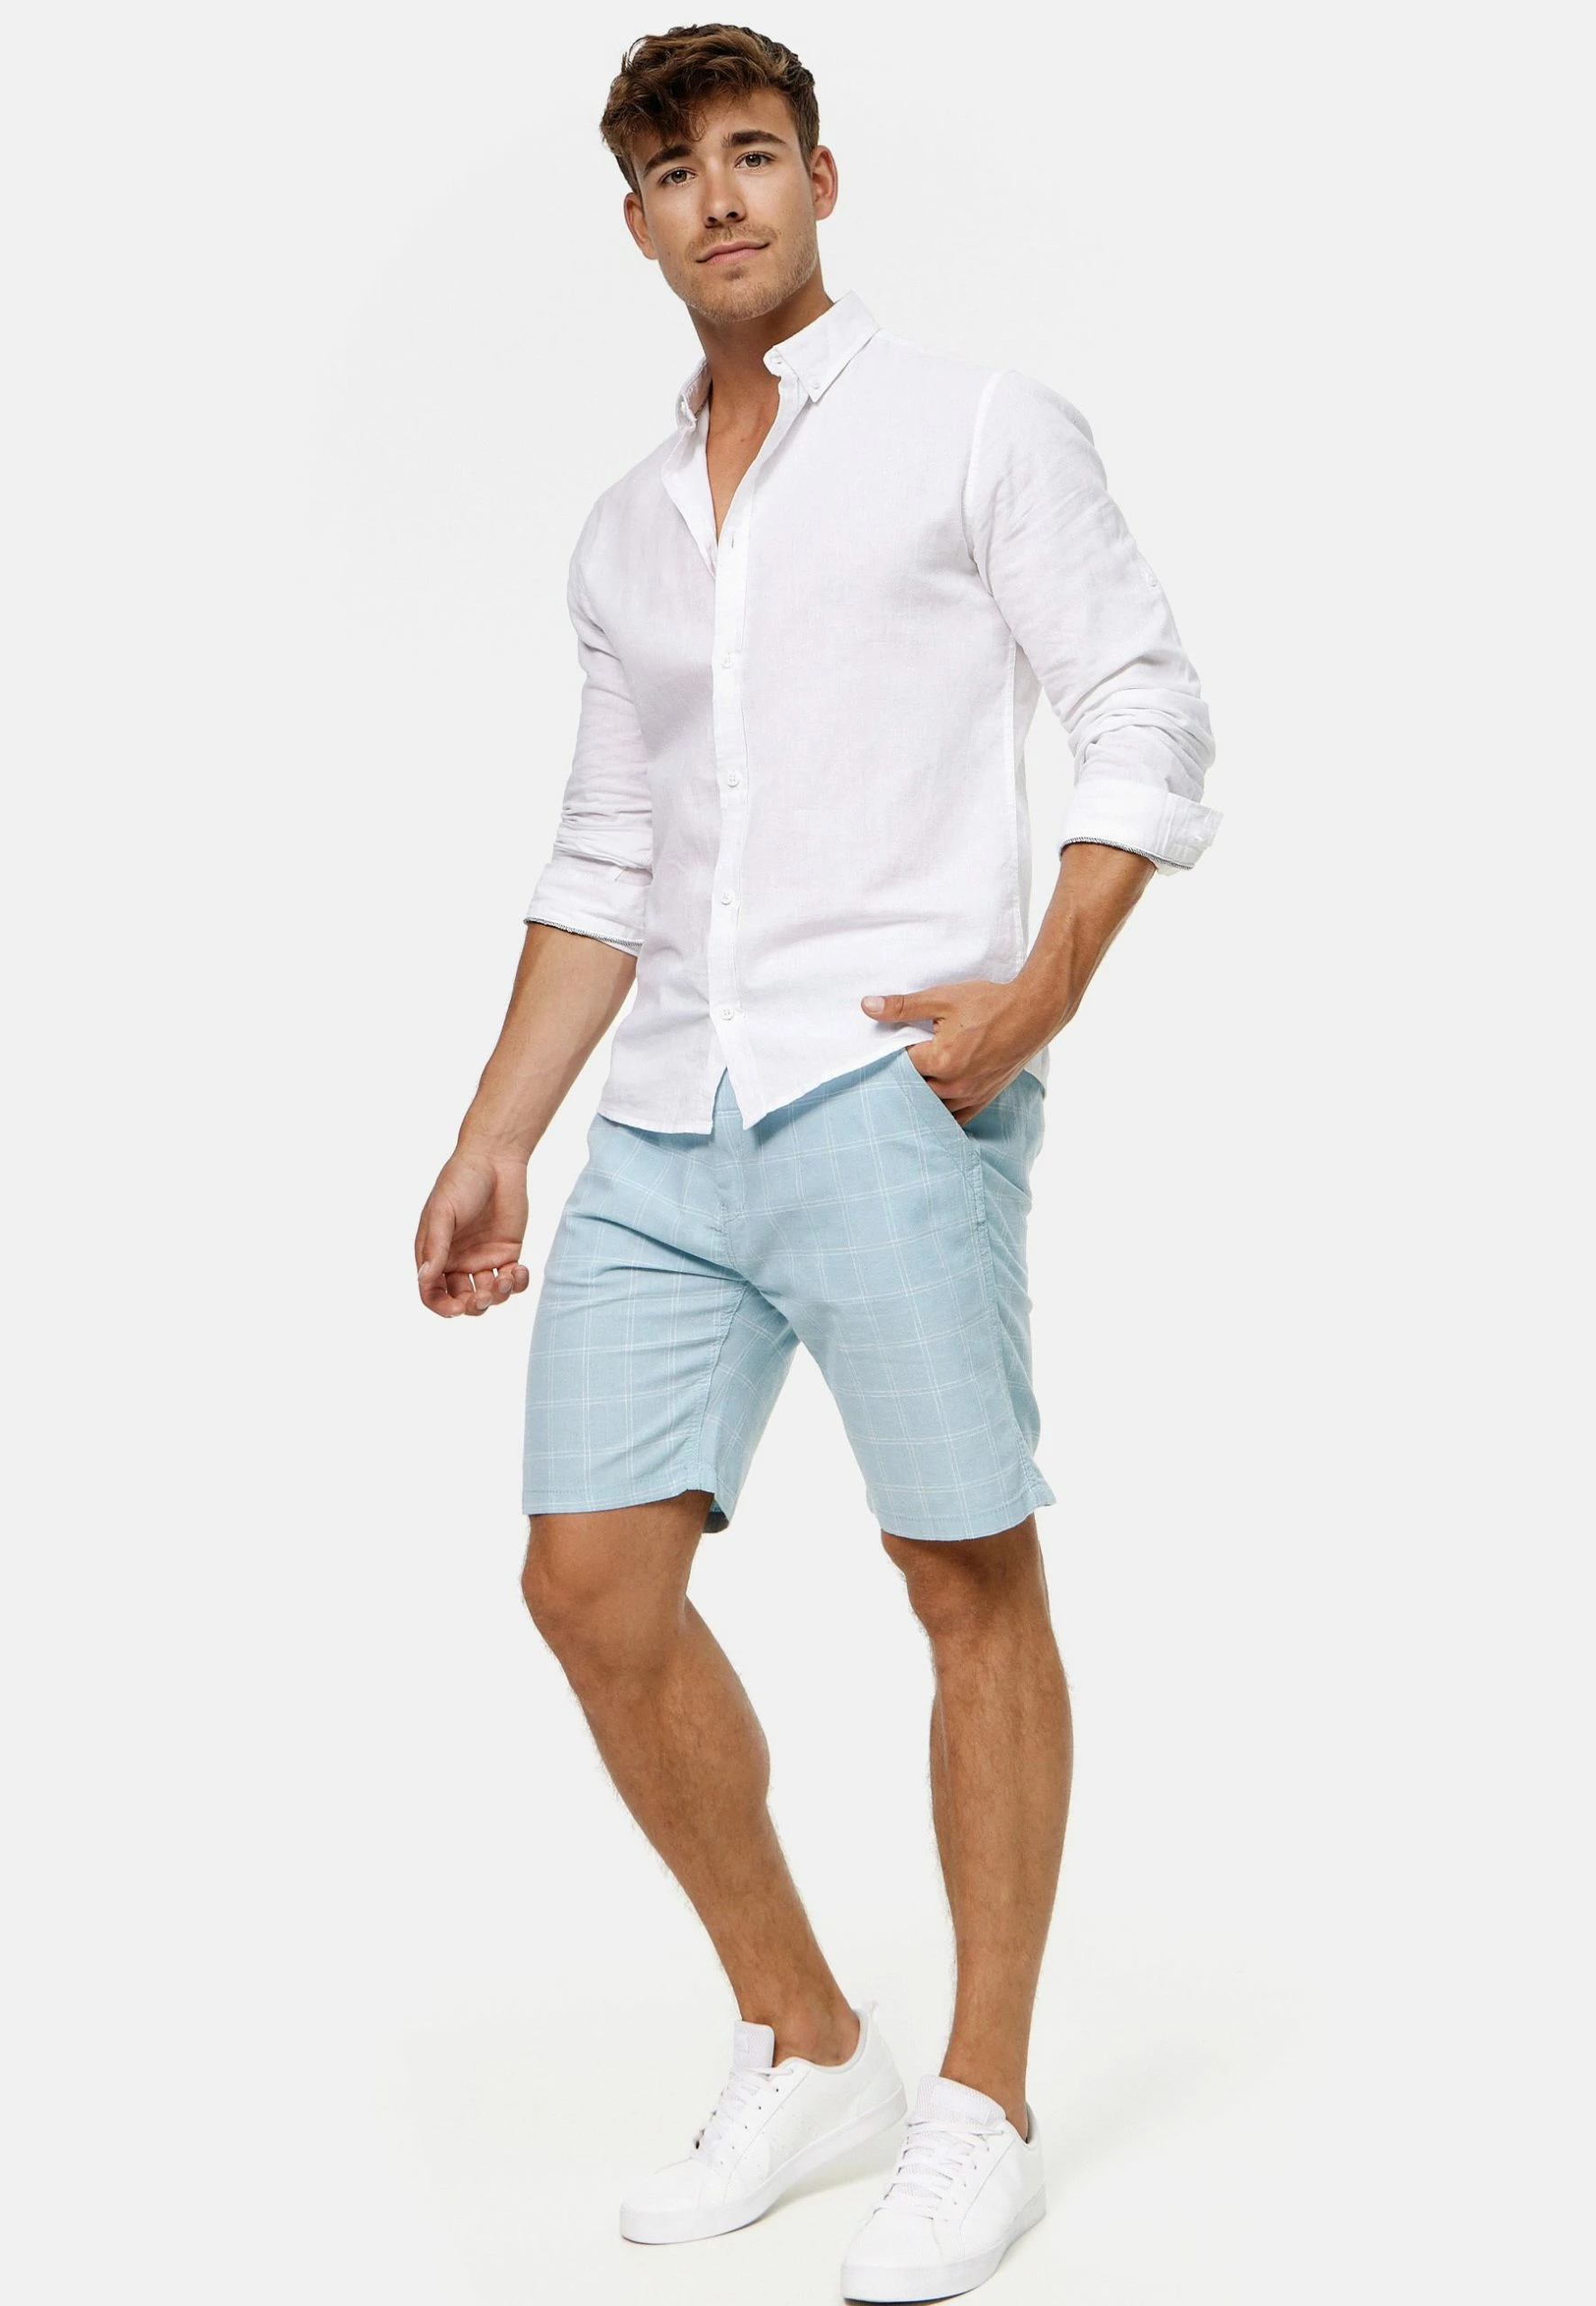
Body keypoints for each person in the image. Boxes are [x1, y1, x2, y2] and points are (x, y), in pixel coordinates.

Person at [413, 23, 1220, 2300]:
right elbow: (607, 847)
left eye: (754, 156)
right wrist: (495, 1132)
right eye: (677, 174)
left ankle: (984, 2102)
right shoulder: (625, 526)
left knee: (962, 1576)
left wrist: (1036, 991)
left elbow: (1143, 702)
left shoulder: (976, 426)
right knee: (588, 1585)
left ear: (820, 182)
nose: (722, 200)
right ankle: (809, 2031)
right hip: (667, 1113)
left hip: (888, 1087)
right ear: (639, 225)